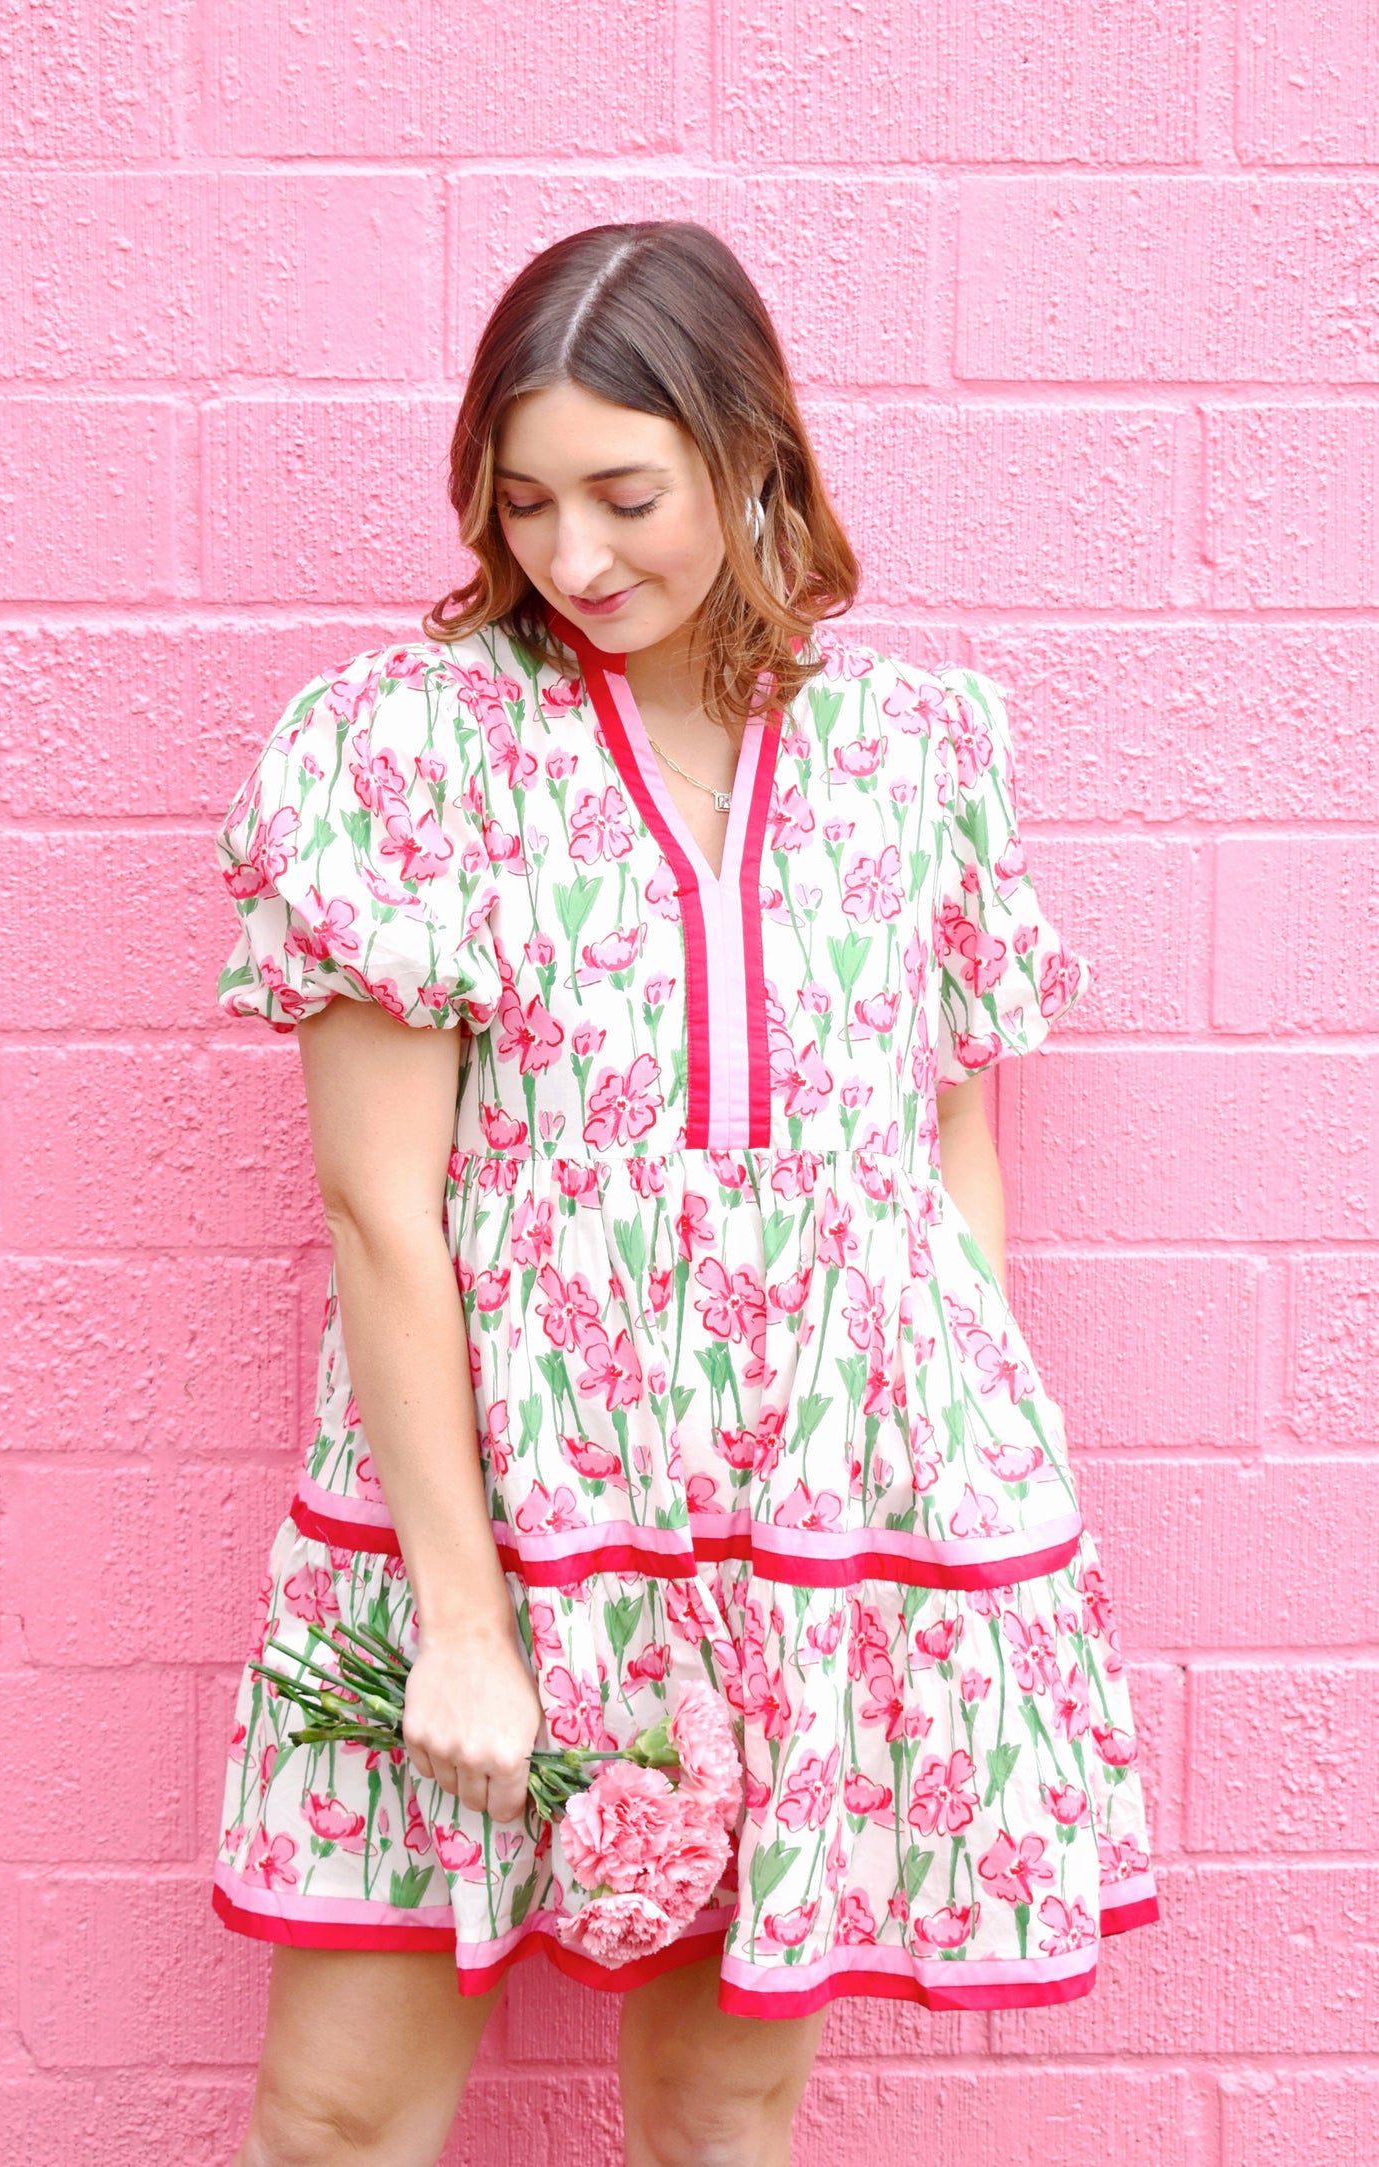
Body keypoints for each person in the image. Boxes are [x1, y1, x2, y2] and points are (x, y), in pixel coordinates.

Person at [211, 221, 1158, 2166]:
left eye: (626, 494)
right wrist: (466, 1628)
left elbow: (941, 1145)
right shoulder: (417, 748)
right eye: (527, 497)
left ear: (753, 457)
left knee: (723, 2122)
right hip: (486, 1518)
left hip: (793, 1543)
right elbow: (380, 1209)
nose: (574, 558)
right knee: (336, 2114)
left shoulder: (916, 756)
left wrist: (929, 1522)